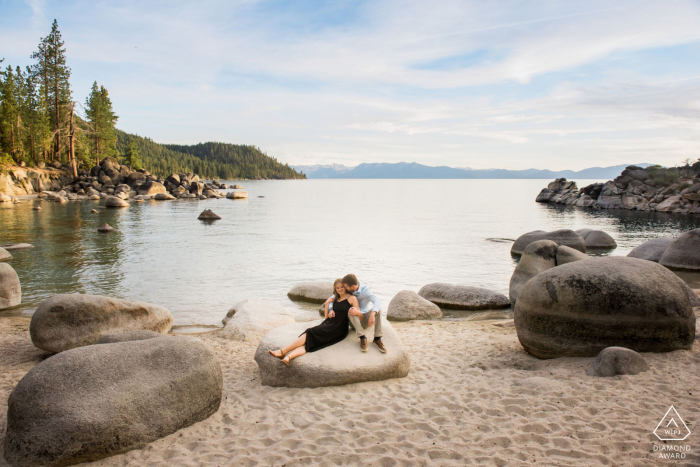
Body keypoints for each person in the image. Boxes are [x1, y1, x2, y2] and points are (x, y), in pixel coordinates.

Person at [269, 279, 363, 365]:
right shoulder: (335, 299)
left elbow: (360, 317)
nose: (340, 289)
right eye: (337, 288)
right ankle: (288, 357)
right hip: (329, 324)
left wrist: (357, 312)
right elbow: (326, 317)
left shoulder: (352, 298)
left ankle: (283, 351)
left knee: (310, 332)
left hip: (339, 329)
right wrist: (327, 304)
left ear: (345, 287)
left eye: (342, 287)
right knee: (310, 343)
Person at [326, 274, 386, 353]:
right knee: (351, 310)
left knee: (378, 310)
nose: (344, 288)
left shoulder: (365, 290)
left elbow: (377, 301)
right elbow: (332, 297)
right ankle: (362, 337)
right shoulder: (348, 290)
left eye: (345, 286)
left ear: (353, 286)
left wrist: (372, 314)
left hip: (364, 319)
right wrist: (330, 309)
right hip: (353, 321)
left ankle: (377, 339)